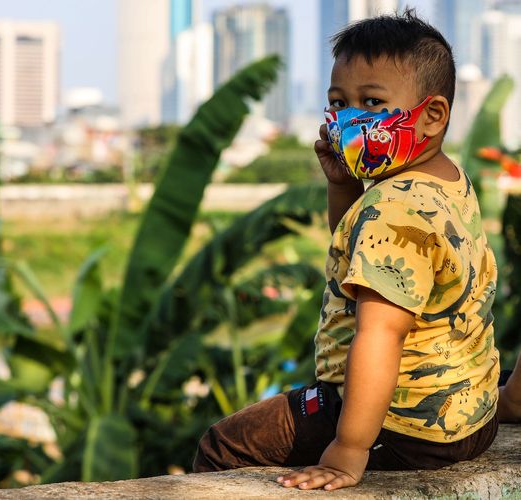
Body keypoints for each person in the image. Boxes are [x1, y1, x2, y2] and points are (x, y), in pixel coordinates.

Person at [192, 9, 521, 491]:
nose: (348, 117)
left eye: (371, 101)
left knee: (226, 443)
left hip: (402, 428)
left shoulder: (391, 205)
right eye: (338, 102)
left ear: (432, 115)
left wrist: (348, 451)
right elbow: (357, 254)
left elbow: (380, 337)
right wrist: (343, 185)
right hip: (470, 420)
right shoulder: (447, 179)